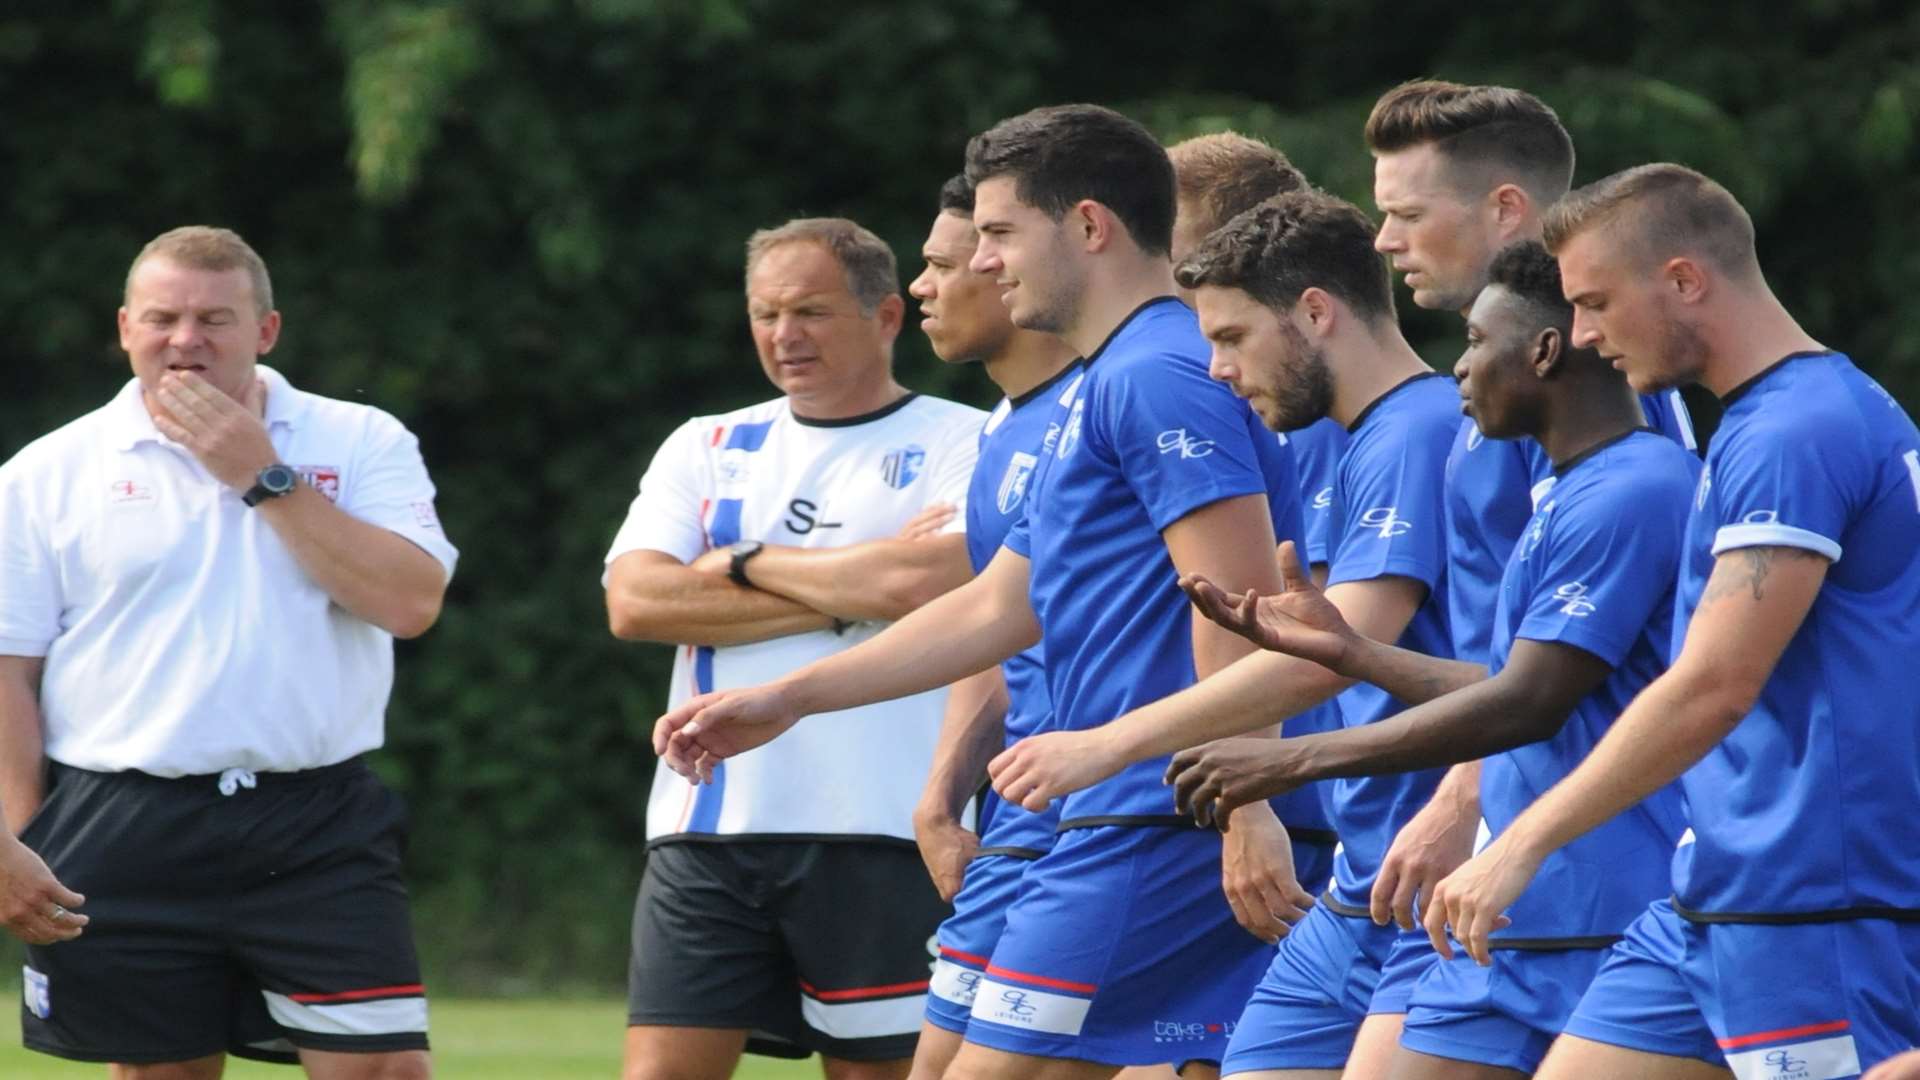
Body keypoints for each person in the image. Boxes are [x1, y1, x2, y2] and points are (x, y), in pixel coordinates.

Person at [657, 103, 1313, 1079]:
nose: (984, 262)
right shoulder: (1099, 386)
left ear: (1088, 227)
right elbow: (1000, 605)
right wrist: (782, 699)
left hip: (1152, 816)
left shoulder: (1162, 373)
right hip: (1097, 814)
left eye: (1002, 234)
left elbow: (1237, 605)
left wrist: (1245, 801)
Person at [1427, 164, 1920, 1080]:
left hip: (1815, 906)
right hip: (1713, 896)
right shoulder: (1765, 420)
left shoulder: (1794, 433)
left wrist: (1523, 840)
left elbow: (1711, 688)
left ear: (1685, 280)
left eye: (1596, 303)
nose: (1580, 335)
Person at [1165, 240, 1698, 1079]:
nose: (1459, 370)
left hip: (1597, 907)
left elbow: (1530, 703)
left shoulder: (1638, 487)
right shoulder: (1568, 491)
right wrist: (1357, 653)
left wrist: (1291, 757)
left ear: (1546, 351)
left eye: (1478, 344)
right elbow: (1512, 686)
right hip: (1510, 914)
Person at [986, 188, 1460, 1078]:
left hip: (1429, 880)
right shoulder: (1362, 440)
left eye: (1232, 338)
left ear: (1314, 312)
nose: (1214, 369)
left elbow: (1333, 657)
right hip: (1363, 883)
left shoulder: (1417, 433)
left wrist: (1106, 747)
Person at [0, 225, 456, 1078]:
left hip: (315, 819)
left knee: (385, 1070)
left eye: (215, 319)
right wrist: (14, 841)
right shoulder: (45, 472)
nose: (186, 341)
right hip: (119, 820)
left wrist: (261, 473)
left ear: (266, 331)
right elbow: (7, 673)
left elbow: (408, 602)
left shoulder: (359, 440)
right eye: (164, 317)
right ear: (126, 326)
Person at [1355, 82, 1697, 1077]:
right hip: (1500, 858)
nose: (1383, 240)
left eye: (1407, 214)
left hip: (1576, 873)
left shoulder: (1616, 407)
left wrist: (1464, 801)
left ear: (1507, 210)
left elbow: (1571, 671)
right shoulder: (1489, 403)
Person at [603, 217, 986, 1080]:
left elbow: (931, 586)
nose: (784, 336)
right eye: (765, 313)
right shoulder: (705, 443)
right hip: (707, 823)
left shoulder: (964, 439)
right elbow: (634, 601)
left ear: (887, 316)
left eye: (810, 311)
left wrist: (739, 566)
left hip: (882, 825)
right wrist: (862, 589)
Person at [904, 175, 1079, 1080]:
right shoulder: (1003, 433)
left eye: (940, 265)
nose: (919, 287)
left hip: (1104, 820)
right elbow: (999, 635)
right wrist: (943, 796)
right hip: (1016, 818)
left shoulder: (1110, 406)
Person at [1167, 131, 1342, 901]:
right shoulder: (1204, 385)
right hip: (1223, 786)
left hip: (1294, 801)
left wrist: (1249, 803)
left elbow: (1289, 617)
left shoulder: (1318, 414)